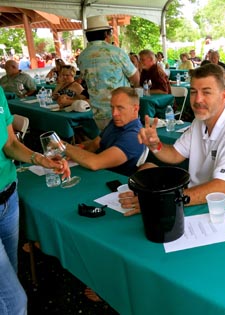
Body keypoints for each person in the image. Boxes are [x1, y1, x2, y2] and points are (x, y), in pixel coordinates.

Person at [120, 64, 225, 213]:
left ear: (224, 96)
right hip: (196, 204)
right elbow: (175, 154)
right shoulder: (199, 122)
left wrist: (162, 200)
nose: (197, 99)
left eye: (206, 92)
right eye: (193, 92)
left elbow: (221, 187)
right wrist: (155, 145)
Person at [0, 87, 70, 315]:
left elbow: (9, 144)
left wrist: (40, 159)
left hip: (8, 196)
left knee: (11, 272)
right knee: (14, 302)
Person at [65, 87, 147, 179]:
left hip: (108, 181)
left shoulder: (134, 136)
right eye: (112, 107)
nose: (114, 113)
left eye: (120, 108)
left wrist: (64, 147)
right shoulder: (117, 122)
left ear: (135, 109)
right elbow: (96, 143)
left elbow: (95, 163)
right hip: (95, 172)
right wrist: (78, 149)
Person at [77, 15, 140, 130]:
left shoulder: (82, 57)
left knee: (108, 143)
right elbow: (135, 78)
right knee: (125, 143)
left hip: (97, 112)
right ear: (106, 34)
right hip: (121, 110)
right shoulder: (116, 52)